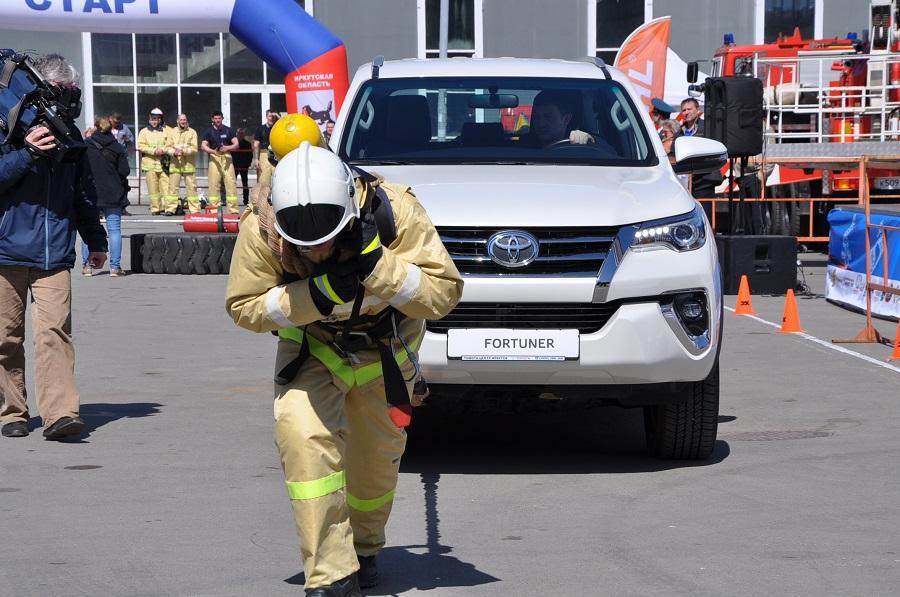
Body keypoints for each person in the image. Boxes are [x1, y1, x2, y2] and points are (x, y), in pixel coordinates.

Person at [225, 141, 463, 596]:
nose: (318, 248)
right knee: (302, 439)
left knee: (373, 466)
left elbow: (442, 296)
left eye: (328, 235)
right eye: (306, 241)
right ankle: (330, 574)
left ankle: (365, 548)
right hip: (313, 350)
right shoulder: (263, 227)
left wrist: (379, 266)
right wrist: (316, 296)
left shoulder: (397, 212)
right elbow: (244, 306)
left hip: (385, 352)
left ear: (350, 208)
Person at [0, 53, 108, 440]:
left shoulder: (71, 135)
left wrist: (96, 239)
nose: (69, 97)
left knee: (54, 333)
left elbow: (83, 194)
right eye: (62, 89)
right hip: (5, 251)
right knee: (5, 338)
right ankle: (12, 412)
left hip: (55, 254)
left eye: (72, 90)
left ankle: (60, 413)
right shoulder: (7, 126)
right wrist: (26, 152)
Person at [82, 116, 129, 277]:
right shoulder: (117, 147)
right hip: (113, 192)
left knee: (89, 229)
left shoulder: (86, 145)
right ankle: (115, 267)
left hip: (91, 192)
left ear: (95, 127)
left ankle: (87, 266)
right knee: (114, 230)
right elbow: (124, 171)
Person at [675, 98, 722, 201]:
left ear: (697, 110)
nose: (686, 112)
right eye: (684, 110)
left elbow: (713, 151)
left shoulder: (707, 128)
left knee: (705, 209)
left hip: (704, 181)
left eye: (689, 109)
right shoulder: (679, 132)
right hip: (685, 183)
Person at [201, 110, 240, 214]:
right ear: (212, 119)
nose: (217, 120)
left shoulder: (229, 130)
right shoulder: (208, 132)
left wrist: (227, 148)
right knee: (214, 184)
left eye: (219, 118)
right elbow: (203, 146)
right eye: (215, 118)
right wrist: (212, 151)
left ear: (222, 118)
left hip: (227, 157)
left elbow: (236, 144)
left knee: (231, 183)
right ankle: (214, 210)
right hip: (214, 157)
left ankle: (233, 211)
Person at [526, 90, 595, 147]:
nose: (541, 124)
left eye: (548, 117)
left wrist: (589, 140)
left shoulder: (578, 146)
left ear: (566, 119)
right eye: (536, 117)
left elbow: (598, 149)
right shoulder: (523, 149)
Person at [138, 107, 174, 215]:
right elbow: (141, 146)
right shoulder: (143, 132)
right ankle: (156, 208)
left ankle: (168, 208)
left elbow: (171, 143)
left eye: (156, 119)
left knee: (166, 187)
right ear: (149, 119)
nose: (154, 121)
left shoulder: (168, 130)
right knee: (153, 189)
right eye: (152, 119)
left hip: (164, 164)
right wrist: (154, 151)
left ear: (160, 119)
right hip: (150, 164)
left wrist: (162, 150)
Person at [167, 113, 200, 213]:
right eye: (181, 120)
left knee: (191, 188)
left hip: (188, 164)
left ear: (187, 121)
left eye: (184, 120)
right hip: (175, 164)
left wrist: (183, 151)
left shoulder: (192, 132)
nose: (183, 121)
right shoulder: (172, 132)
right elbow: (167, 147)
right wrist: (174, 152)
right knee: (173, 187)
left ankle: (194, 209)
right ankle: (170, 209)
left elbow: (194, 148)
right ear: (177, 121)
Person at [254, 109, 279, 187]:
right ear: (266, 117)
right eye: (270, 116)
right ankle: (263, 195)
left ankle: (276, 195)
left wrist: (277, 116)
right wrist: (256, 159)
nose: (271, 118)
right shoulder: (260, 129)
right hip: (264, 154)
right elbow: (256, 144)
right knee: (264, 180)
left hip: (276, 155)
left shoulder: (279, 128)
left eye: (273, 117)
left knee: (278, 177)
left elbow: (285, 123)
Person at [233, 128, 253, 206]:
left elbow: (250, 156)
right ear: (236, 134)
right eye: (239, 133)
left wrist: (248, 164)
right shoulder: (233, 143)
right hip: (234, 166)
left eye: (241, 133)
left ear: (243, 134)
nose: (240, 135)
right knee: (231, 183)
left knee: (245, 183)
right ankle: (232, 200)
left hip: (244, 166)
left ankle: (246, 200)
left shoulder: (247, 144)